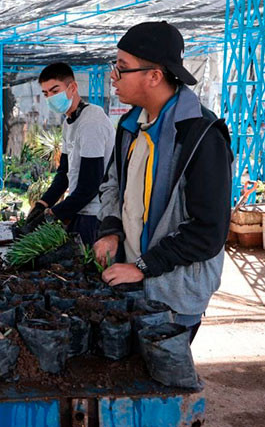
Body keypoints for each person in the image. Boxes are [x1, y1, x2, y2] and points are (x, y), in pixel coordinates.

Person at [93, 21, 233, 342]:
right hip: (134, 277)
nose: (113, 76)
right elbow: (113, 185)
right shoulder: (130, 125)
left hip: (174, 294)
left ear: (154, 76)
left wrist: (143, 266)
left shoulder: (201, 135)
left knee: (161, 371)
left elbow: (208, 232)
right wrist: (111, 231)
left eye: (121, 68)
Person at [25, 63, 115, 246]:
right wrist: (42, 204)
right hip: (80, 209)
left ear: (72, 87)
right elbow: (64, 172)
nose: (50, 97)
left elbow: (91, 185)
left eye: (54, 90)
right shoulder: (69, 122)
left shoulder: (91, 122)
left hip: (95, 215)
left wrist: (54, 214)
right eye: (46, 94)